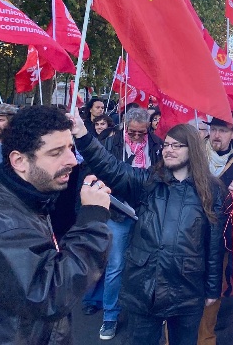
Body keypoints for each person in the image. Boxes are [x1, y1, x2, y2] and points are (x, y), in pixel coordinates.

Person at [0, 105, 112, 345]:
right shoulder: (0, 222)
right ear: (19, 161)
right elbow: (50, 294)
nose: (72, 161)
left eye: (70, 148)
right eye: (56, 152)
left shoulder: (29, 199)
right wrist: (92, 218)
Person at [74, 113, 226, 345]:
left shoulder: (211, 190)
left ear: (192, 149)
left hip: (187, 288)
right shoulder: (148, 181)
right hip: (144, 285)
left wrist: (212, 289)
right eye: (166, 145)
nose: (169, 150)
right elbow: (110, 167)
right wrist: (83, 135)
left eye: (177, 146)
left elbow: (214, 245)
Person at [81, 106, 165, 339]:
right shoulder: (111, 143)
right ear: (125, 127)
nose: (137, 136)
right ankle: (110, 316)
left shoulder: (157, 146)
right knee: (115, 265)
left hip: (146, 212)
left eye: (141, 132)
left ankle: (143, 312)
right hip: (117, 212)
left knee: (148, 264)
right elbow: (97, 169)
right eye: (132, 132)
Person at [198, 114, 233, 345]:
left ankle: (206, 338)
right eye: (214, 129)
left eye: (223, 130)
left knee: (214, 287)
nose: (216, 135)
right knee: (182, 288)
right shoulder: (194, 155)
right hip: (190, 233)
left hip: (221, 236)